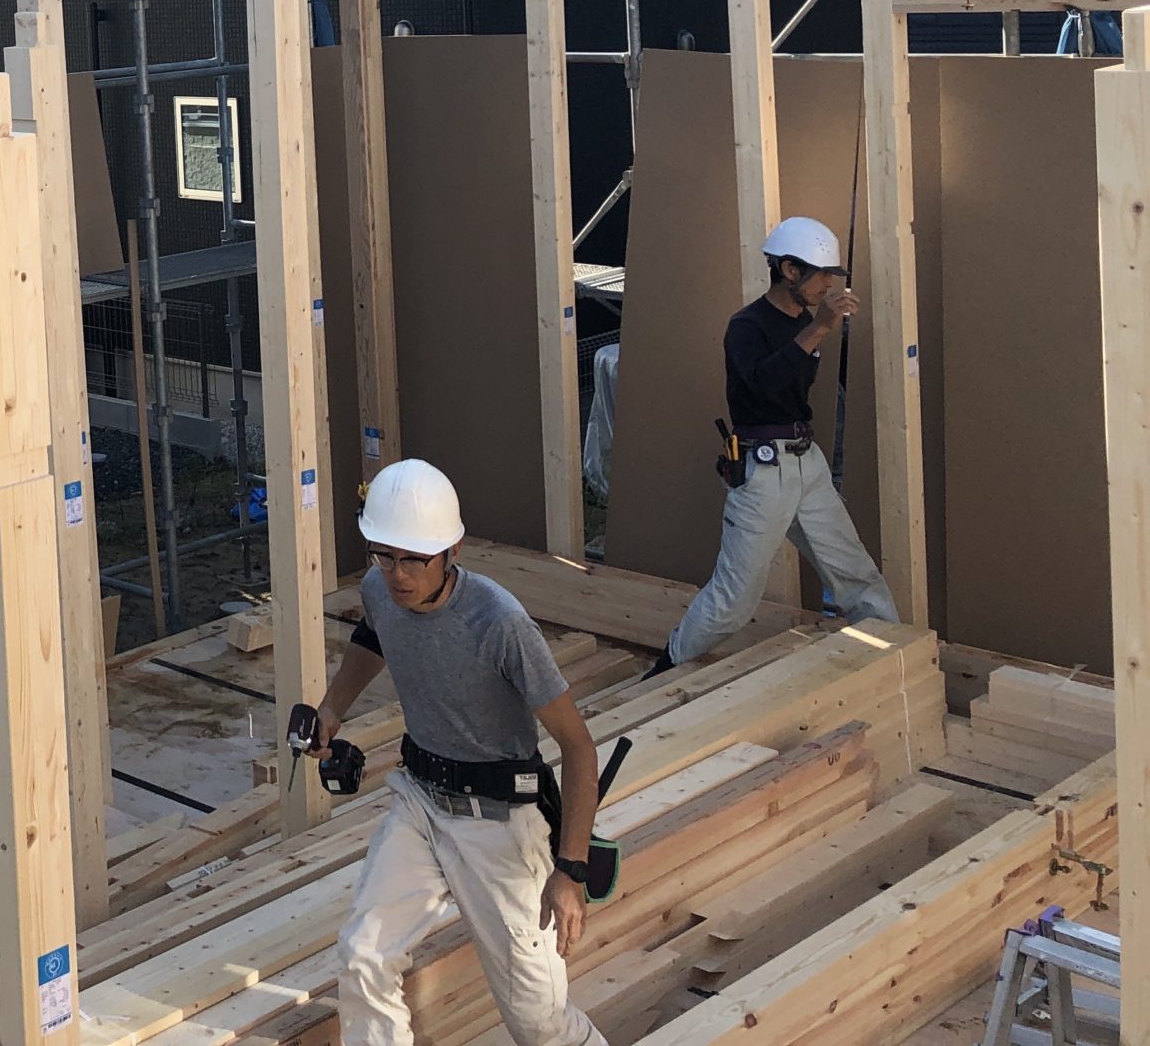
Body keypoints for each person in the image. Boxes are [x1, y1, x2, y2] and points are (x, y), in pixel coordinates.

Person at [304, 460, 611, 1046]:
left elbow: (578, 747)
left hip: (499, 823)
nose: (397, 575)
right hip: (419, 801)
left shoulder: (499, 623)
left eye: (413, 559)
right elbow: (374, 634)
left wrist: (570, 871)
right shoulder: (379, 589)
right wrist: (333, 706)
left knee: (539, 1022)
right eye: (384, 556)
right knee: (363, 955)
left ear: (452, 551)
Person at [649, 217, 898, 673]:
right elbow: (762, 386)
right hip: (763, 472)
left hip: (807, 462)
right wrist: (819, 329)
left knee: (855, 572)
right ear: (789, 270)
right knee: (734, 598)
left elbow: (793, 389)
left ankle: (895, 660)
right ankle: (667, 669)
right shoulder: (747, 326)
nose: (828, 285)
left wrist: (814, 328)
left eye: (832, 276)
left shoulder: (803, 320)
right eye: (820, 274)